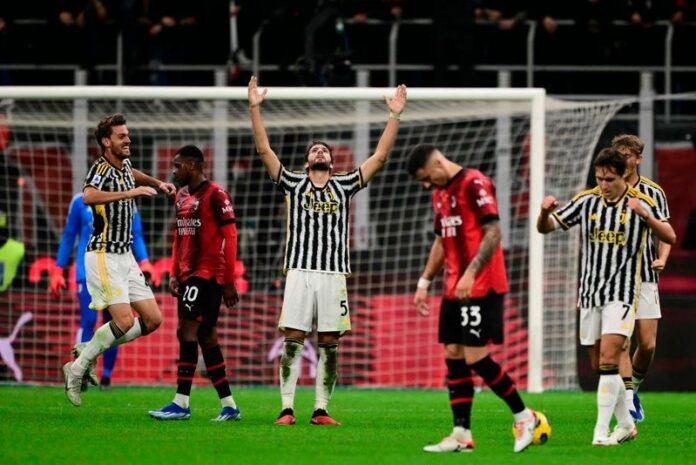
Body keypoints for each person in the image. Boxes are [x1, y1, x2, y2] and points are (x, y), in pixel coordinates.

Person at [248, 76, 407, 426]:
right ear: (307, 162)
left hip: (334, 274)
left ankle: (320, 409)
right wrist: (255, 108)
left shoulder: (345, 184)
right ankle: (287, 408)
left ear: (333, 163)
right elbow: (264, 151)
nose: (319, 151)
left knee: (330, 341)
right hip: (299, 271)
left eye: (324, 150)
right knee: (293, 339)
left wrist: (394, 116)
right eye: (314, 150)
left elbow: (380, 157)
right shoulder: (293, 182)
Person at [407, 144, 543, 453]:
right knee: (453, 353)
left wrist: (470, 273)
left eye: (426, 178)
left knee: (475, 357)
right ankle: (461, 435)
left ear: (437, 164)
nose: (426, 185)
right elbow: (441, 240)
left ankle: (525, 416)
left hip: (481, 285)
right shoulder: (439, 194)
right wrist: (424, 282)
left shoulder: (475, 182)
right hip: (454, 287)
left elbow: (493, 232)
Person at [536, 148, 676, 445]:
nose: (603, 184)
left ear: (623, 175)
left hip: (622, 294)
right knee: (599, 365)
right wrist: (544, 212)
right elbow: (546, 228)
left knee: (612, 357)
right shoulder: (586, 201)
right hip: (590, 293)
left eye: (609, 179)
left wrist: (647, 217)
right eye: (599, 178)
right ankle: (626, 424)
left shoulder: (642, 202)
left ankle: (600, 431)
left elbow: (670, 236)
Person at [62, 113, 176, 406]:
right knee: (123, 320)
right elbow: (88, 196)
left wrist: (158, 183)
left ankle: (88, 350)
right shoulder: (100, 168)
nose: (128, 140)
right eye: (121, 136)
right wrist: (131, 192)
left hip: (125, 255)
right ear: (106, 141)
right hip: (103, 254)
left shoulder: (123, 165)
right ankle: (77, 368)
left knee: (153, 320)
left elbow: (132, 173)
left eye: (128, 135)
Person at [148, 145, 241, 421]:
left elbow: (231, 236)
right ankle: (229, 406)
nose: (173, 171)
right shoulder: (181, 196)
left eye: (178, 166)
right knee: (206, 335)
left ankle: (181, 403)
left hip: (208, 275)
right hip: (189, 275)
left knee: (186, 330)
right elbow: (179, 237)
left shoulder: (216, 194)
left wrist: (229, 280)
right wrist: (174, 272)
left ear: (193, 165)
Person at [50, 192, 156, 390]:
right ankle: (80, 371)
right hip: (87, 272)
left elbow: (137, 234)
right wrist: (58, 269)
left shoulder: (127, 199)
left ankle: (106, 376)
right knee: (89, 320)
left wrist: (145, 261)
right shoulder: (80, 201)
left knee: (117, 323)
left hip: (116, 272)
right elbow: (69, 236)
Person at [611, 134, 671, 422]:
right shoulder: (605, 189)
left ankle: (633, 389)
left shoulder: (653, 192)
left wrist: (662, 258)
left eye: (627, 155)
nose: (623, 160)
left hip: (645, 276)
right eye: (618, 154)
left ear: (638, 158)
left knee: (647, 344)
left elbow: (666, 232)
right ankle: (624, 397)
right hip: (613, 278)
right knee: (621, 341)